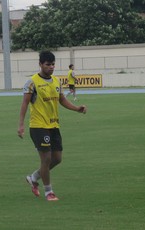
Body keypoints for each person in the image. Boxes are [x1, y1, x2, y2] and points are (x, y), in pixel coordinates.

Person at [17, 51, 87, 201]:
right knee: (46, 159)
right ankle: (49, 192)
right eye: (48, 64)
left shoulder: (56, 81)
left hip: (54, 125)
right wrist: (21, 124)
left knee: (57, 158)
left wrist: (76, 109)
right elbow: (24, 103)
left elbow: (62, 100)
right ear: (41, 64)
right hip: (38, 126)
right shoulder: (32, 82)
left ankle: (34, 177)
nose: (51, 67)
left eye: (53, 64)